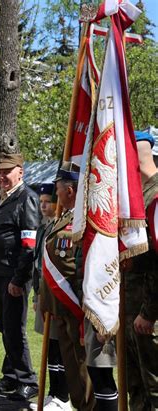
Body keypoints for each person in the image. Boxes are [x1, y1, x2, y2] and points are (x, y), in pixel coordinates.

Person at [0, 153, 40, 401]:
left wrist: (18, 279)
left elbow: (29, 244)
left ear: (20, 172)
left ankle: (27, 380)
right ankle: (11, 375)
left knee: (15, 328)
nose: (2, 176)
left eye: (7, 171)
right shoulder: (4, 198)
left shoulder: (26, 198)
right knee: (5, 327)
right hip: (1, 272)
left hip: (15, 274)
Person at [40, 162, 95, 411]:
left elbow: (79, 266)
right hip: (59, 305)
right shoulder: (63, 218)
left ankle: (87, 406)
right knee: (71, 367)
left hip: (74, 304)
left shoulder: (81, 219)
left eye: (58, 188)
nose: (55, 193)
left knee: (81, 366)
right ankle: (78, 405)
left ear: (69, 190)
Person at [124, 131, 157, 411]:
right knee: (136, 387)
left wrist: (148, 312)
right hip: (132, 307)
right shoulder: (137, 198)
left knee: (154, 388)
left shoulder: (156, 197)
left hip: (149, 314)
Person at [30, 183, 71, 410]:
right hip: (44, 293)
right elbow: (37, 264)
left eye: (48, 201)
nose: (44, 206)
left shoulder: (60, 227)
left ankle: (62, 395)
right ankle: (54, 392)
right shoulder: (43, 227)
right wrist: (37, 295)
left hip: (58, 295)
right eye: (42, 201)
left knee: (59, 345)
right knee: (50, 346)